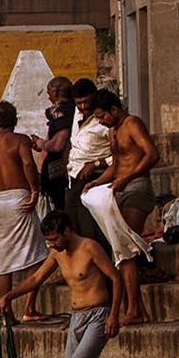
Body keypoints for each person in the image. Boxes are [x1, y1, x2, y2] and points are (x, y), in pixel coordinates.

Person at [1, 212, 123, 358]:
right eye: (49, 241)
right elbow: (36, 278)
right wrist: (8, 296)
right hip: (76, 317)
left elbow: (116, 278)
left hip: (98, 315)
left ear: (67, 231)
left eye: (55, 239)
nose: (52, 245)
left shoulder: (90, 247)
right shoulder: (57, 253)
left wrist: (114, 315)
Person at [82, 90, 157, 326]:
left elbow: (152, 154)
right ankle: (137, 309)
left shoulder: (132, 123)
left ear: (114, 110)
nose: (101, 122)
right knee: (120, 250)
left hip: (137, 188)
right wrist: (97, 181)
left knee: (126, 249)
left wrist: (127, 178)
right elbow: (116, 166)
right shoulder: (112, 131)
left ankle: (134, 309)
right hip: (117, 190)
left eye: (102, 116)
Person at [0, 101, 48, 321]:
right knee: (36, 254)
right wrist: (35, 190)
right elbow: (28, 164)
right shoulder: (20, 140)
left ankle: (6, 309)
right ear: (15, 120)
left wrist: (0, 190)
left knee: (4, 260)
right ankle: (29, 308)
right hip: (20, 197)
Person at [65, 77, 112, 243]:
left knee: (92, 233)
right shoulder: (77, 117)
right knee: (74, 232)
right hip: (74, 180)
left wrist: (97, 164)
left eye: (86, 102)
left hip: (96, 179)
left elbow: (122, 155)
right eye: (79, 103)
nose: (83, 107)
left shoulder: (105, 121)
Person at [32, 76, 75, 214]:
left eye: (49, 92)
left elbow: (58, 144)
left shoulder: (61, 111)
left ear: (55, 92)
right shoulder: (73, 110)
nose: (48, 96)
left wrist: (41, 143)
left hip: (60, 171)